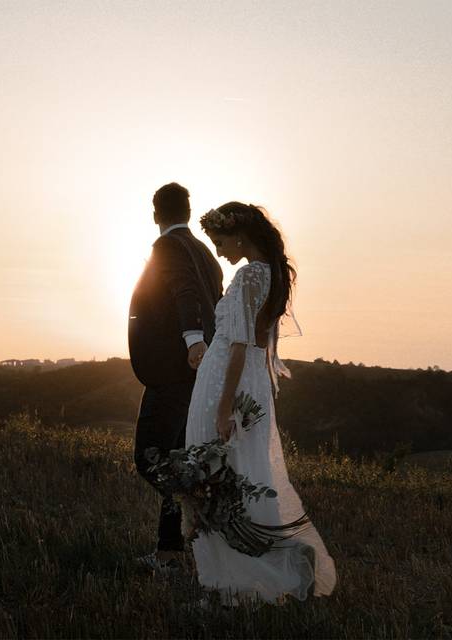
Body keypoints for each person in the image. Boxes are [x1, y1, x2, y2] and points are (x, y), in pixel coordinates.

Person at [186, 202, 336, 604]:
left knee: (225, 473)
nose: (218, 251)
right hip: (236, 380)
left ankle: (256, 572)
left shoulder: (251, 274)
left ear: (238, 235)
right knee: (241, 474)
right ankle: (259, 561)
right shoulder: (267, 273)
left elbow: (239, 347)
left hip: (226, 384)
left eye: (220, 242)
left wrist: (222, 408)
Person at [128, 182, 223, 574]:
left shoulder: (167, 247)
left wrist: (192, 341)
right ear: (187, 210)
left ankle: (197, 509)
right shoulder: (203, 251)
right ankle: (169, 554)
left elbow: (186, 293)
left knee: (150, 458)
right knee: (178, 458)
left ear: (156, 215)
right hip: (198, 373)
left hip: (174, 371)